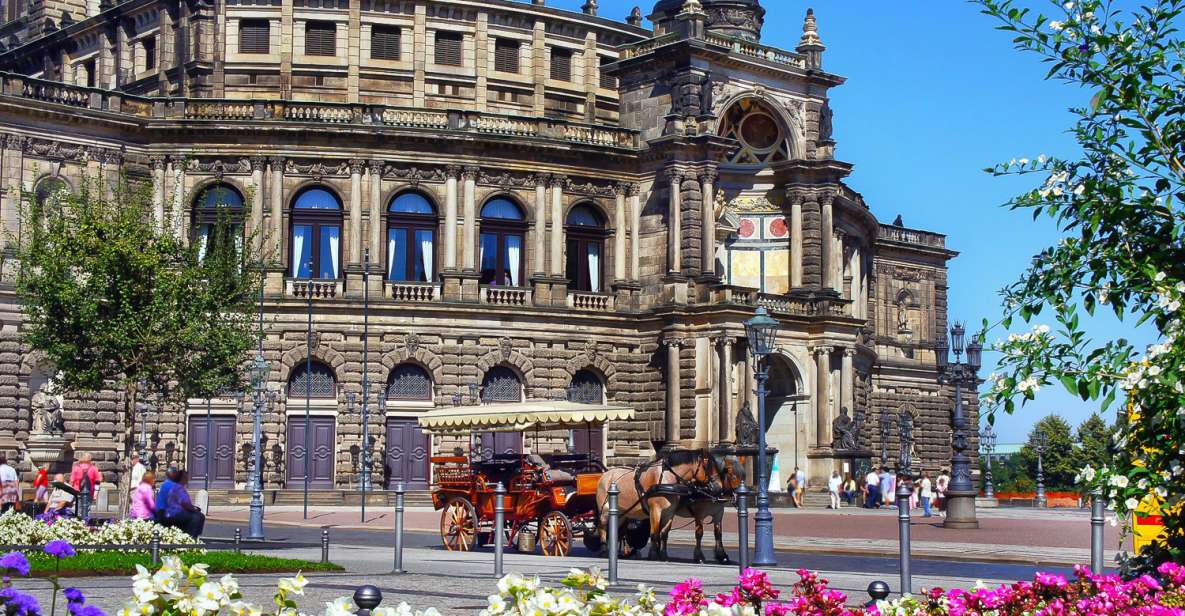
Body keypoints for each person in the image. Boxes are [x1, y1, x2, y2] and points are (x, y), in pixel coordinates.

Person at [161, 470, 205, 538]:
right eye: (186, 477)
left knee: (196, 515)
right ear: (182, 478)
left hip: (174, 512)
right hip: (176, 513)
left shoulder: (176, 487)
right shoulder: (179, 488)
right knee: (199, 516)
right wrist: (194, 509)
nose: (187, 479)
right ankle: (191, 536)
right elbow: (185, 503)